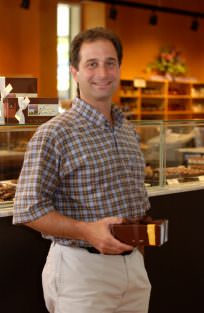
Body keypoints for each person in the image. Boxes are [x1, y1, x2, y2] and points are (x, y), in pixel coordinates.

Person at [13, 27, 151, 313]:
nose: (102, 72)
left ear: (119, 68)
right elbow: (28, 208)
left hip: (134, 268)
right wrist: (87, 232)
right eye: (92, 64)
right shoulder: (54, 134)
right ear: (74, 72)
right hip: (81, 272)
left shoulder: (127, 130)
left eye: (110, 63)